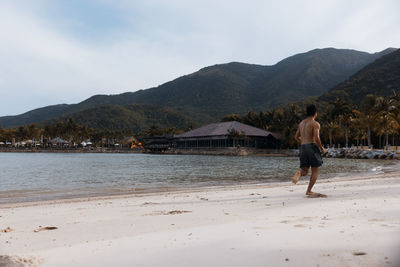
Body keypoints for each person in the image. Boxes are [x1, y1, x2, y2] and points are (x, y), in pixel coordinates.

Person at [292, 104, 326, 197]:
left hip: (303, 147)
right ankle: (309, 191)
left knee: (305, 171)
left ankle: (299, 173)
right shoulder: (315, 124)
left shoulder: (301, 123)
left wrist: (303, 142)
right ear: (315, 113)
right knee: (315, 170)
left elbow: (296, 137)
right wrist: (321, 148)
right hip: (311, 146)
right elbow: (317, 137)